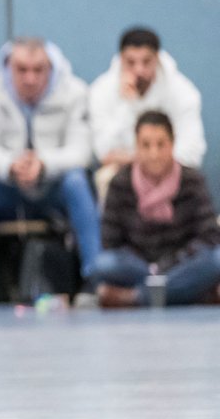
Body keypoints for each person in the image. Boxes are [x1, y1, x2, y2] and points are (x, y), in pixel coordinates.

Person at [0, 38, 99, 293]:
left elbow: (82, 151)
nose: (30, 78)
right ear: (7, 68)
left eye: (38, 70)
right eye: (21, 69)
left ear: (52, 68)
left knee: (77, 180)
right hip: (8, 188)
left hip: (54, 187)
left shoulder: (75, 93)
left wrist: (44, 164)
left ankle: (95, 277)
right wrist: (11, 165)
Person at [90, 111, 220, 307]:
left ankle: (135, 298)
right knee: (102, 265)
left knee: (216, 260)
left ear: (172, 144)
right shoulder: (120, 182)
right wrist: (151, 269)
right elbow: (110, 242)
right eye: (146, 145)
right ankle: (191, 294)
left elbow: (209, 236)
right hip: (138, 267)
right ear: (136, 147)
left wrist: (169, 264)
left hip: (182, 263)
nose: (154, 154)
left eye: (161, 145)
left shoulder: (192, 181)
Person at [89, 27, 205, 202]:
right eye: (131, 62)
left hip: (170, 172)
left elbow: (192, 153)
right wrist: (127, 106)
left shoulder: (184, 93)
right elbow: (103, 152)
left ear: (157, 59)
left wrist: (147, 162)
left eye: (146, 61)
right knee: (106, 177)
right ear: (121, 59)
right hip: (123, 175)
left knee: (191, 179)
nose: (139, 70)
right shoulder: (101, 91)